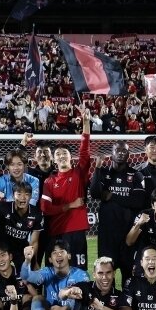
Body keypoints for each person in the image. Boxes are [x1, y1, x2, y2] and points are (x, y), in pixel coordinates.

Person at [39, 108, 92, 270]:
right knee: (57, 273)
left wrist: (86, 123)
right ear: (54, 160)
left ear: (70, 157)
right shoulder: (49, 181)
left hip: (76, 231)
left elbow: (84, 151)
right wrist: (69, 205)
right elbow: (45, 209)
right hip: (56, 232)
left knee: (79, 271)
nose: (62, 156)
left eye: (65, 153)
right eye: (58, 154)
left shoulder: (78, 173)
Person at [91, 140, 147, 276]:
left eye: (124, 151)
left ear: (129, 154)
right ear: (112, 153)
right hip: (108, 234)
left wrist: (112, 196)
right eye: (118, 150)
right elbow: (95, 194)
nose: (121, 153)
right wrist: (97, 168)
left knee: (129, 275)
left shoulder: (136, 175)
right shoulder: (103, 173)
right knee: (106, 273)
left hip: (129, 234)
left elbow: (139, 201)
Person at [0, 181, 44, 269]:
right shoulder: (4, 207)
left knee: (29, 276)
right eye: (19, 194)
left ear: (30, 196)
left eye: (26, 194)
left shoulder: (36, 214)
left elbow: (34, 242)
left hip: (20, 250)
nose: (23, 198)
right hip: (1, 248)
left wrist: (34, 261)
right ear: (13, 195)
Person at [0, 145, 40, 210]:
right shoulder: (1, 181)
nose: (16, 168)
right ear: (7, 166)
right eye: (12, 164)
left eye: (19, 164)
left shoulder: (33, 181)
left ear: (25, 165)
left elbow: (31, 205)